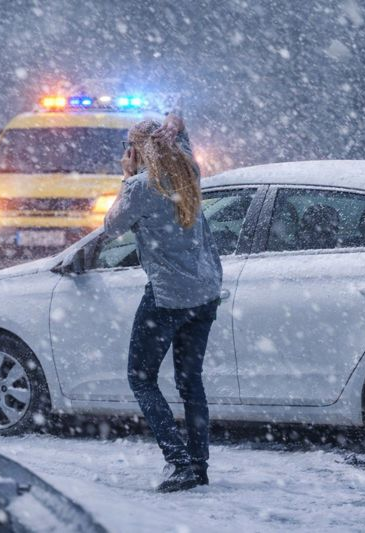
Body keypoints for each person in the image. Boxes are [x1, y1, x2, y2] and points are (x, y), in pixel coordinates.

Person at [103, 113, 222, 493]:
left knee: (140, 378)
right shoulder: (190, 171)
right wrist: (177, 123)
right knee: (191, 384)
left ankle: (178, 461)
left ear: (136, 151)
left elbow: (111, 227)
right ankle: (198, 465)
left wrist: (125, 177)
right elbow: (181, 134)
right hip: (204, 294)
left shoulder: (141, 187)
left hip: (168, 296)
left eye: (129, 146)